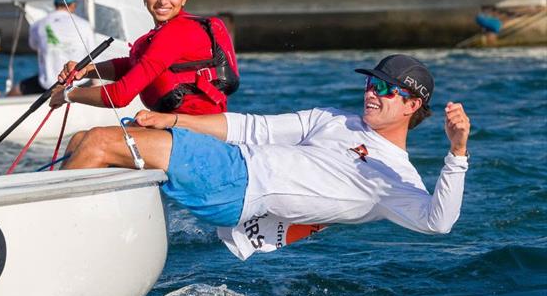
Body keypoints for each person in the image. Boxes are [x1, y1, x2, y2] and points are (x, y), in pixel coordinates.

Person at [59, 54, 471, 261]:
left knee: (99, 141)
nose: (370, 92)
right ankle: (83, 237)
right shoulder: (333, 118)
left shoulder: (395, 176)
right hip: (229, 158)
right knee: (83, 139)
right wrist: (173, 119)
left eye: (385, 89)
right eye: (371, 83)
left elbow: (440, 223)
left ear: (412, 105)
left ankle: (53, 245)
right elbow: (251, 128)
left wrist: (456, 154)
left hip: (237, 185)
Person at [49, 0, 239, 115]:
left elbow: (119, 96)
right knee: (82, 141)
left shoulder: (177, 32)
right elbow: (134, 66)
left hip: (196, 133)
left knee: (94, 143)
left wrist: (67, 94)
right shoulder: (162, 33)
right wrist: (87, 70)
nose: (164, 0)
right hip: (180, 125)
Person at [8, 0, 95, 96]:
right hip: (79, 83)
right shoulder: (85, 25)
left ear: (55, 4)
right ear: (73, 5)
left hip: (48, 85)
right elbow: (94, 57)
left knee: (13, 92)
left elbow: (34, 46)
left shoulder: (38, 25)